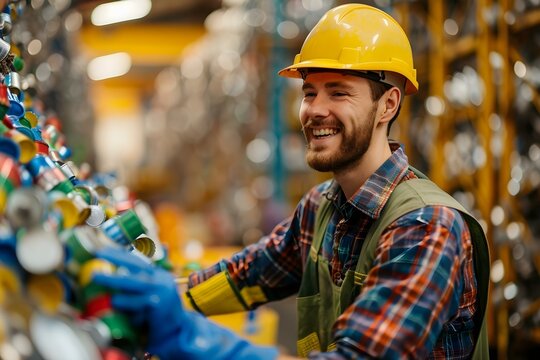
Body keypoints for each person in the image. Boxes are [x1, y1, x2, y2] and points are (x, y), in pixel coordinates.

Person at [94, 3, 490, 359]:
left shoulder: (425, 228)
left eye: (339, 93)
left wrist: (200, 341)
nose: (315, 110)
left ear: (388, 104)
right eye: (309, 92)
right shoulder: (321, 207)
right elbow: (249, 275)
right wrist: (162, 296)